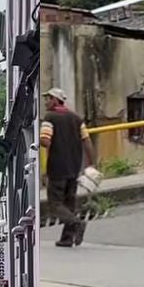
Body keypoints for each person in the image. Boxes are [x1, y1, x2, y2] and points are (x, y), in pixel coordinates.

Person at [41, 88, 96, 248]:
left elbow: (46, 141)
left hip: (57, 167)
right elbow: (87, 141)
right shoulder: (76, 118)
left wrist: (36, 140)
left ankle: (76, 223)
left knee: (55, 204)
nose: (46, 102)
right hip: (74, 167)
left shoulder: (50, 117)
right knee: (69, 202)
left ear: (56, 100)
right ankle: (67, 238)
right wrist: (91, 163)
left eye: (49, 98)